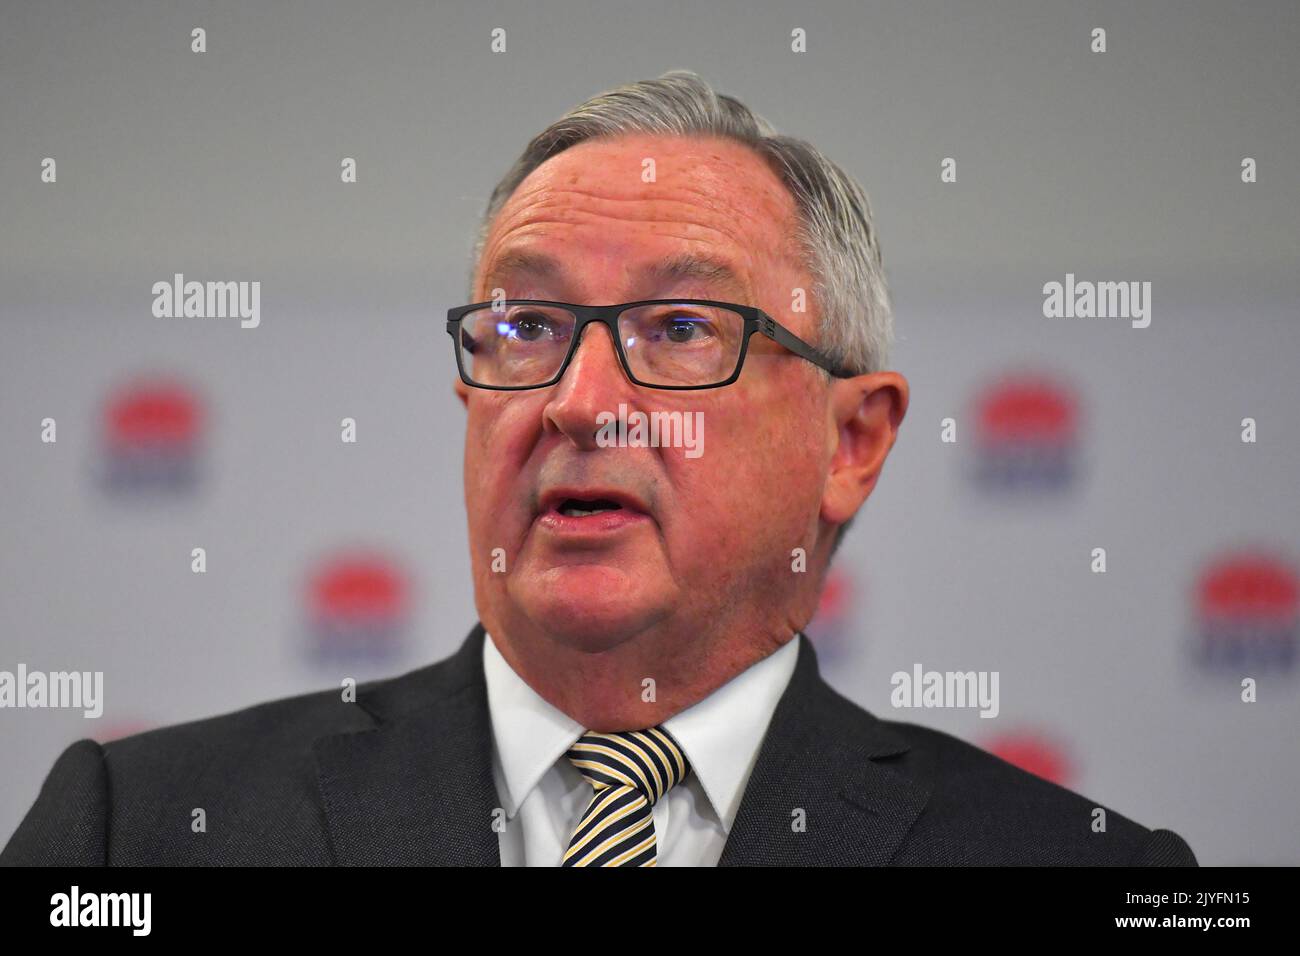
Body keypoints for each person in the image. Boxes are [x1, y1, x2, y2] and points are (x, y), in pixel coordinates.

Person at [1, 70, 1195, 866]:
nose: (578, 403)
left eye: (678, 329)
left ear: (851, 441)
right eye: (523, 329)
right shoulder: (138, 835)